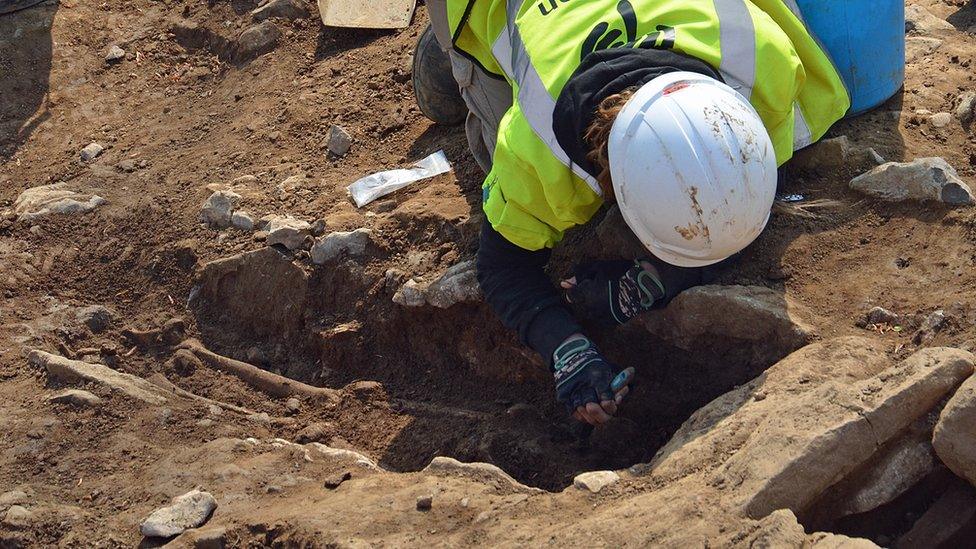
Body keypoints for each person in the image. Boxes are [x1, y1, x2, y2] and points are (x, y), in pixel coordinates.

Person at [413, 0, 850, 426]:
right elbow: (502, 266)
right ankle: (448, 53)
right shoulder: (536, 151)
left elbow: (750, 183)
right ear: (612, 187)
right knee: (478, 121)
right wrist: (567, 349)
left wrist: (652, 282)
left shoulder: (761, 56)